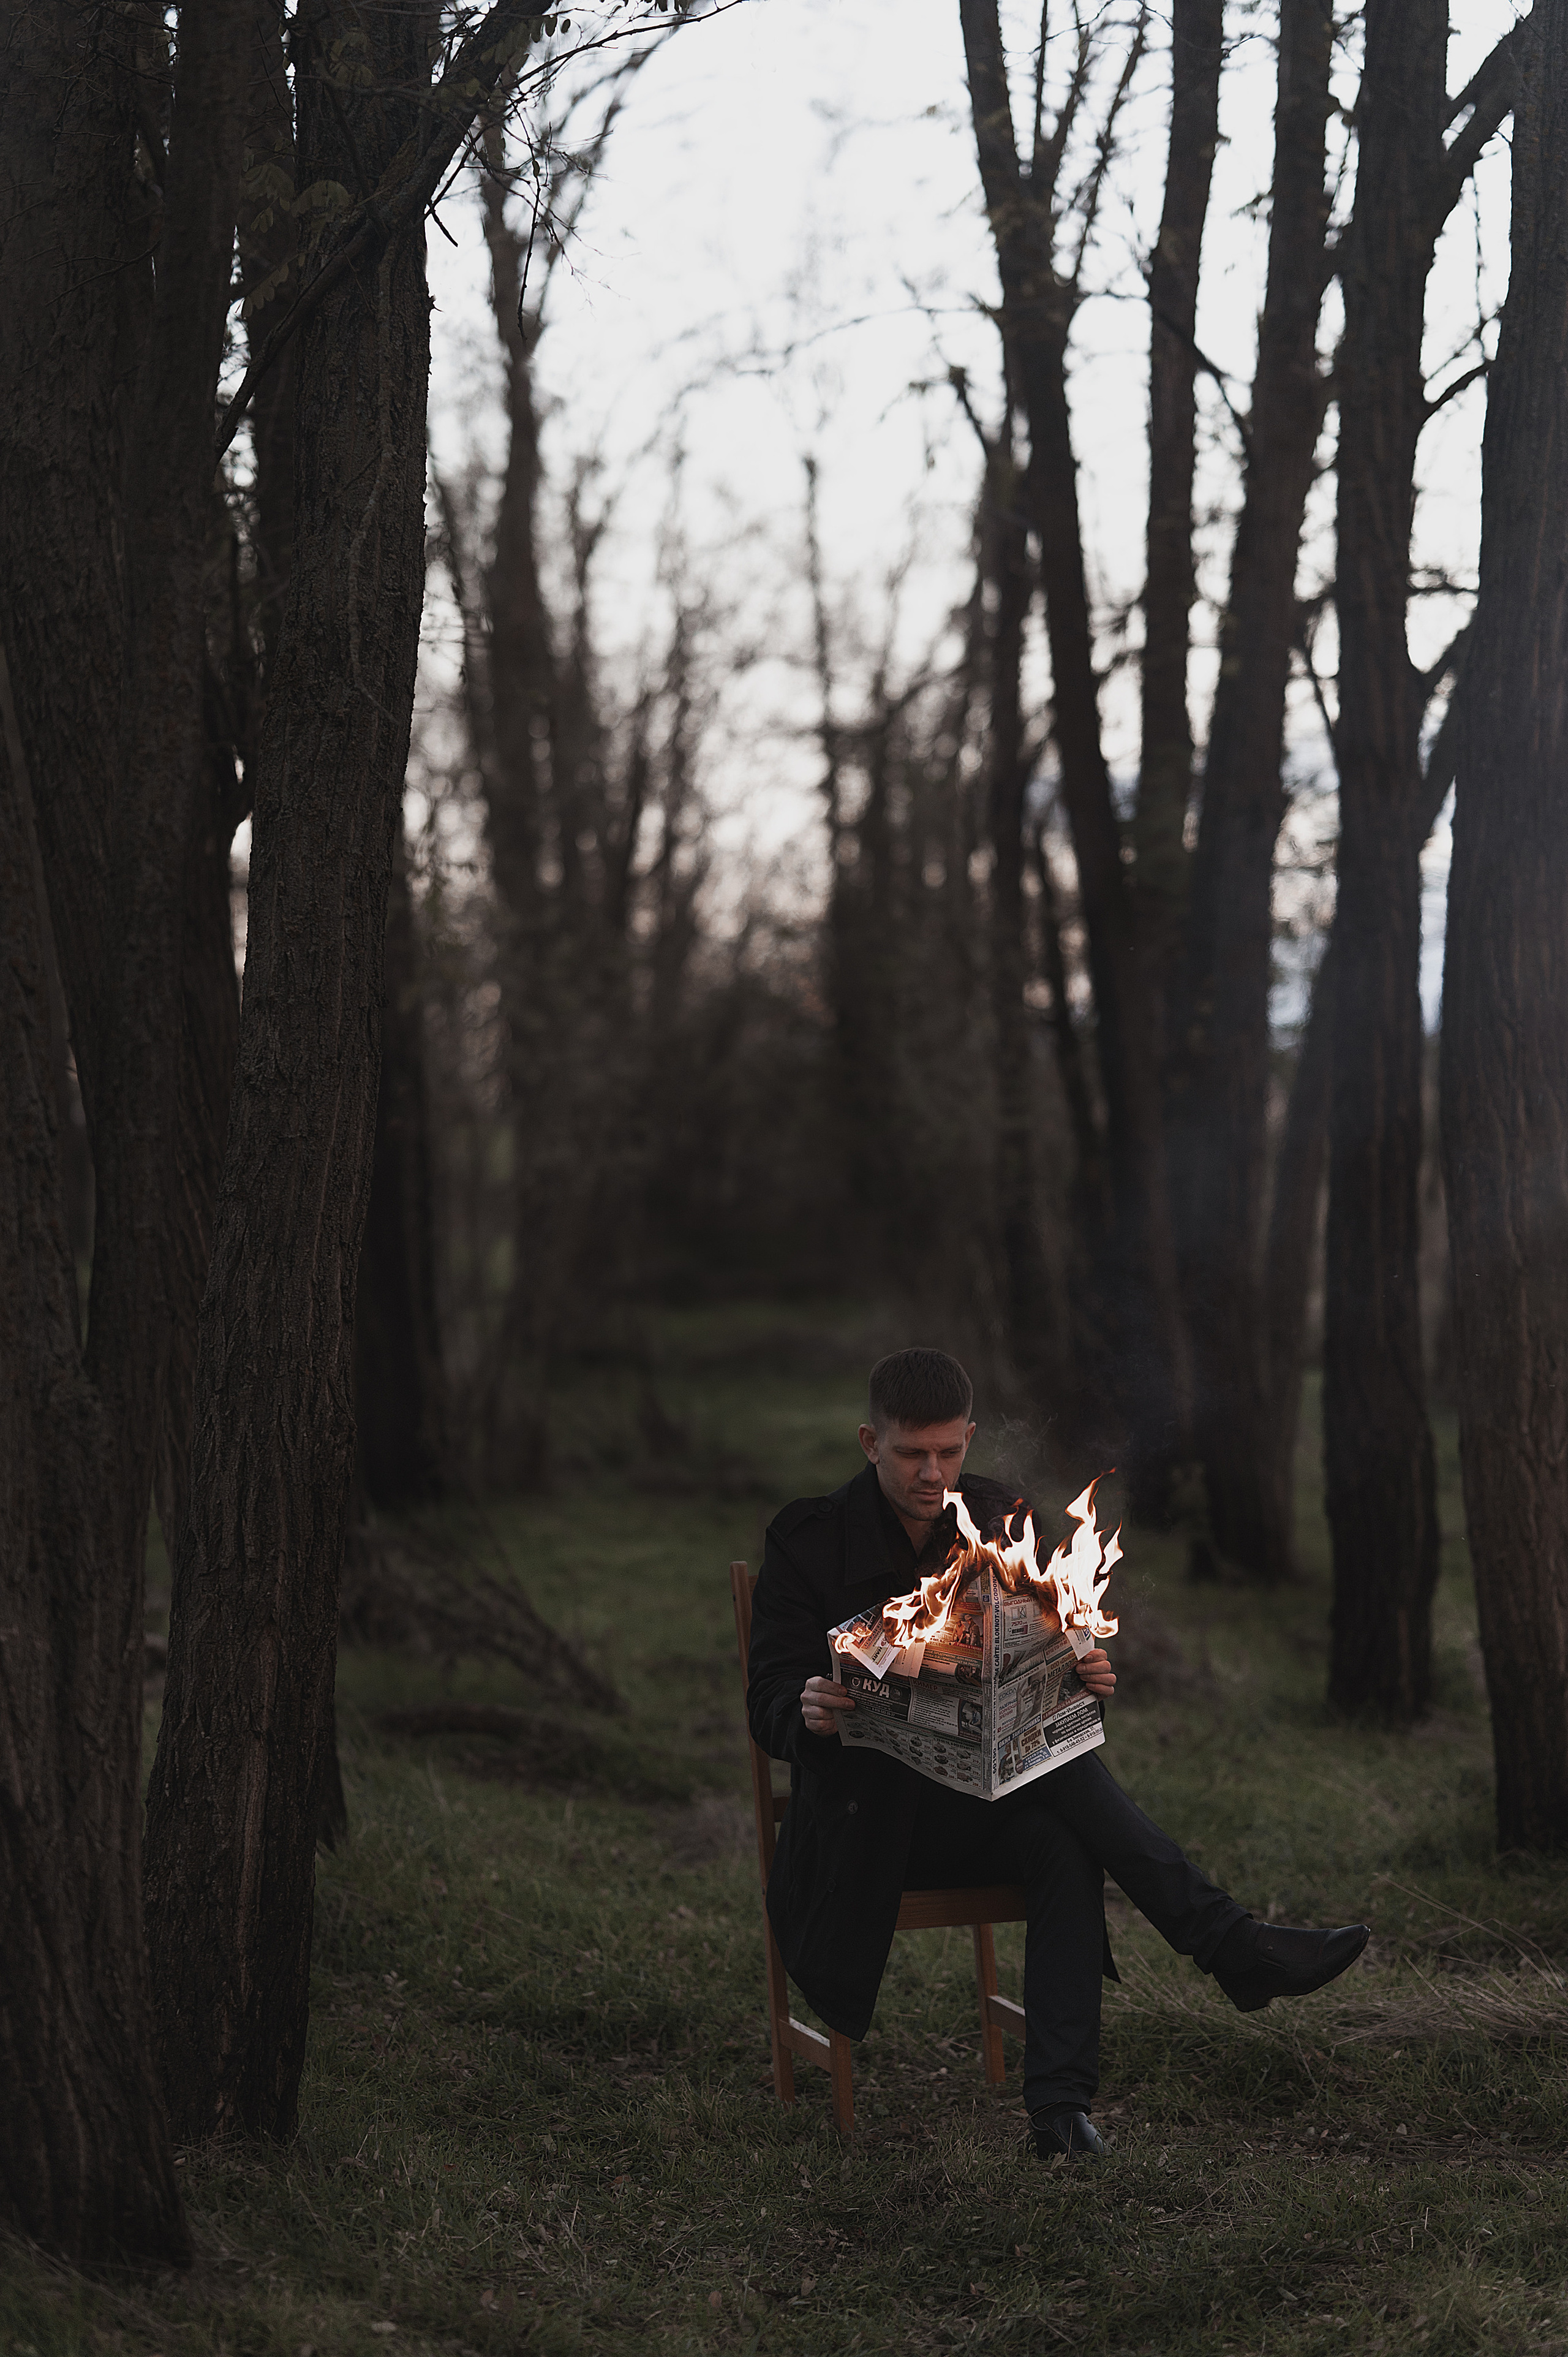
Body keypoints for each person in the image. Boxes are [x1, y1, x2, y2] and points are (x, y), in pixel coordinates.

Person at [746, 1345, 1370, 2161]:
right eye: (910, 1454)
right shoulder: (809, 1540)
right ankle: (1230, 1946)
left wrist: (1078, 1676)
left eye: (949, 1451)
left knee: (1062, 1838)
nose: (932, 1473)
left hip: (978, 1803)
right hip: (866, 1830)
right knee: (1070, 1810)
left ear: (968, 1437)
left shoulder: (1000, 1517)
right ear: (871, 1442)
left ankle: (1061, 2115)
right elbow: (766, 1700)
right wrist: (809, 1708)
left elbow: (1041, 1652)